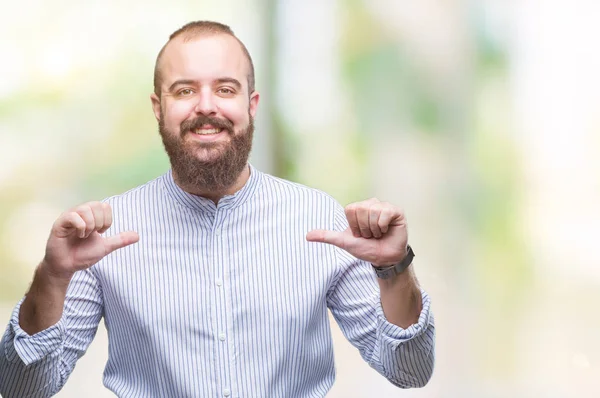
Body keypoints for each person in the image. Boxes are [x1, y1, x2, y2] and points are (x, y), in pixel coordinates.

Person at [0, 21, 435, 397]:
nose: (206, 105)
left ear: (251, 104)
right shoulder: (100, 238)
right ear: (159, 108)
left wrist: (395, 268)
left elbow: (409, 371)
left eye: (225, 89)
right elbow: (22, 388)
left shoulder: (320, 220)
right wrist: (52, 277)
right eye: (184, 90)